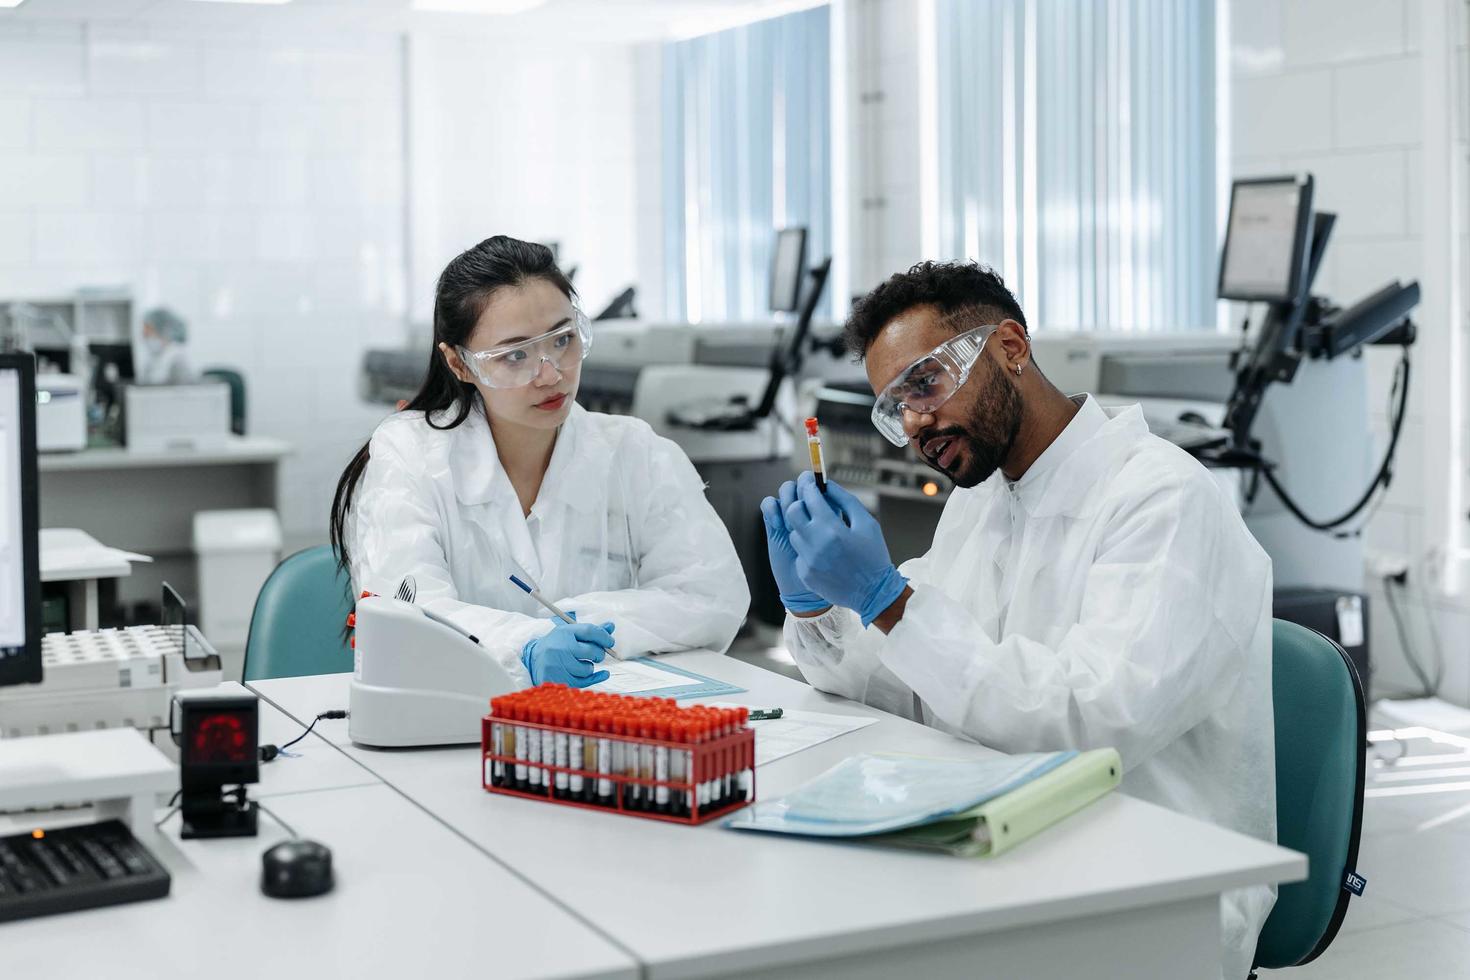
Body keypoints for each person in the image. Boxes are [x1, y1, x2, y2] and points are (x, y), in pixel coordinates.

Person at [761, 261, 1275, 980]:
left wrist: (891, 602)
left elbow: (1091, 726)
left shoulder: (1161, 499)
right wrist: (817, 607)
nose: (912, 423)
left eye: (924, 382)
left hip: (1152, 887)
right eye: (893, 406)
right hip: (1006, 839)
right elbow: (906, 680)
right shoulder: (985, 499)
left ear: (1009, 346)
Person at [331, 235, 749, 689]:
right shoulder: (409, 455)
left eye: (563, 340)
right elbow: (406, 617)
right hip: (458, 722)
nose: (550, 374)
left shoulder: (636, 454)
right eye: (515, 355)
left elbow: (712, 596)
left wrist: (583, 623)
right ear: (459, 364)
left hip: (610, 720)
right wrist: (526, 645)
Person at [137, 308, 197, 385]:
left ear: (164, 330)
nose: (144, 336)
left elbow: (184, 393)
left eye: (148, 331)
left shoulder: (177, 358)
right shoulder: (154, 358)